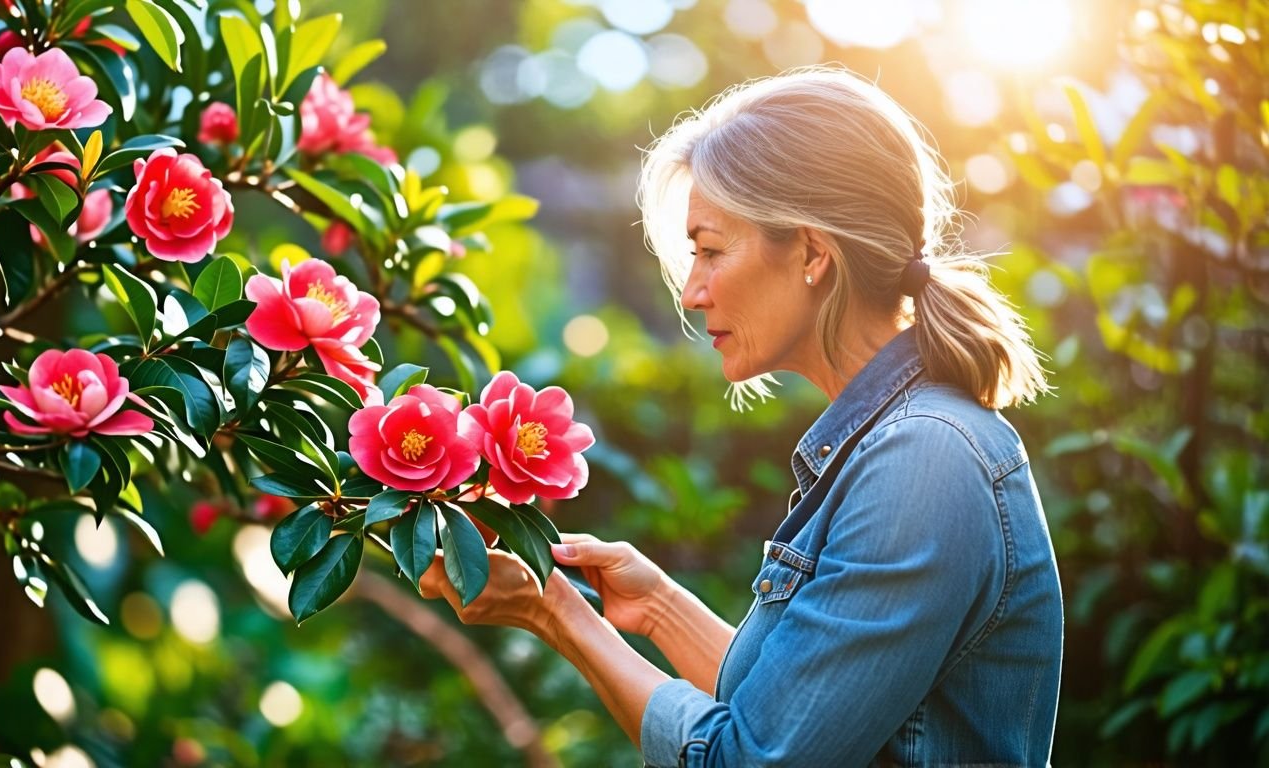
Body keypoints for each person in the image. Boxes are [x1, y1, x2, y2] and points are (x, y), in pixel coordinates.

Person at [418, 67, 1064, 767]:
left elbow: (750, 758)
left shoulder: (924, 463)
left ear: (814, 253)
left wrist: (555, 612)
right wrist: (659, 607)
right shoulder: (899, 443)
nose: (693, 292)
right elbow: (803, 707)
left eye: (711, 250)